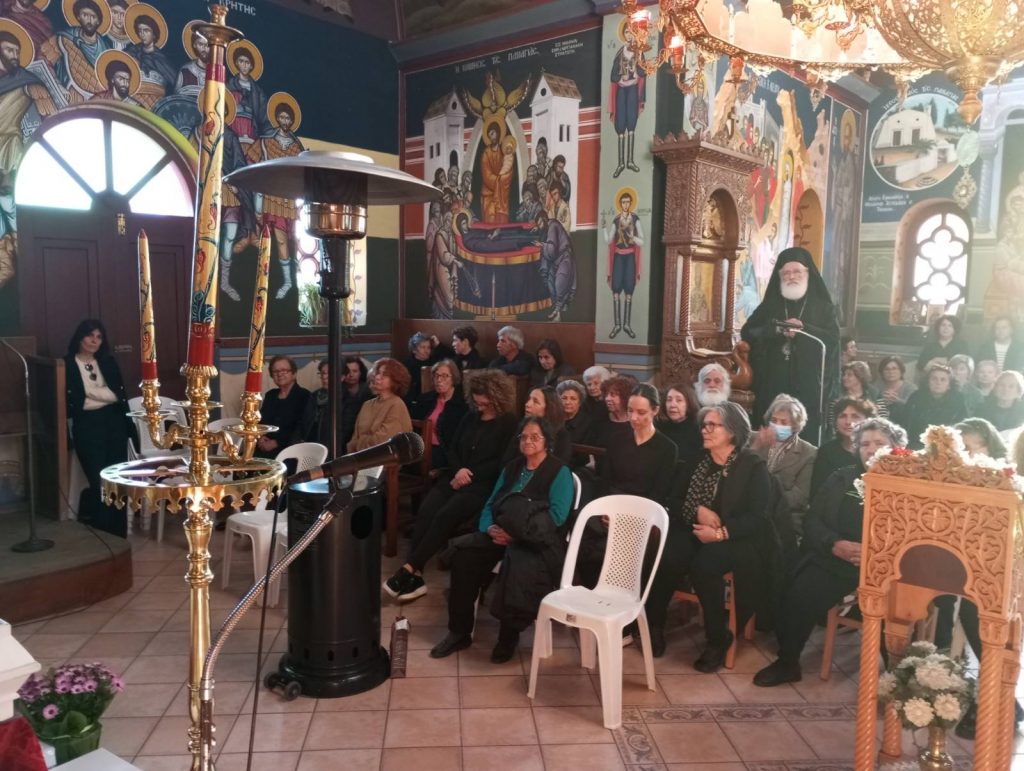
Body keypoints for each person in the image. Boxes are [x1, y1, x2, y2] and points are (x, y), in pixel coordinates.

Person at [753, 418, 909, 687]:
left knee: (893, 613)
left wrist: (876, 553)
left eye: (879, 443)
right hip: (839, 556)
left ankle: (898, 680)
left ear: (897, 447)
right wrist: (834, 544)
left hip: (887, 565)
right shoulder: (841, 478)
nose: (871, 450)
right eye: (865, 444)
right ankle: (788, 662)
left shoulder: (910, 485)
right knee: (799, 592)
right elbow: (813, 520)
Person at [429, 416, 574, 662]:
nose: (528, 441)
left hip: (536, 540)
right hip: (499, 533)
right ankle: (459, 632)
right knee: (464, 558)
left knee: (517, 566)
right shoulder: (512, 468)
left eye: (535, 437)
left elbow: (557, 517)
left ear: (547, 441)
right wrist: (490, 528)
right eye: (524, 437)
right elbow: (491, 503)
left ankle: (508, 637)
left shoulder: (559, 472)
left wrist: (517, 535)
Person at [644, 401, 771, 664]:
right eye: (704, 425)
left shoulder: (752, 466)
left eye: (713, 425)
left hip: (736, 537)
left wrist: (721, 534)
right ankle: (653, 625)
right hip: (694, 526)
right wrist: (698, 511)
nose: (705, 430)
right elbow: (674, 499)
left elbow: (757, 517)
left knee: (705, 566)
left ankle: (717, 638)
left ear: (732, 431)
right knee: (668, 556)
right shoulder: (697, 460)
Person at [384, 370, 517, 602]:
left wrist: (468, 475)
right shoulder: (471, 416)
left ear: (497, 397)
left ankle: (409, 568)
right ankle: (416, 573)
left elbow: (502, 463)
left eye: (484, 401)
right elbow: (452, 448)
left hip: (482, 485)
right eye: (476, 400)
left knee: (446, 513)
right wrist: (458, 470)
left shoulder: (509, 423)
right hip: (456, 475)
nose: (479, 405)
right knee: (427, 510)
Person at [741, 247, 841, 445]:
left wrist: (804, 329)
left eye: (797, 272)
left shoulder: (824, 308)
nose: (791, 277)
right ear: (780, 276)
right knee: (771, 433)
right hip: (773, 382)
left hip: (809, 384)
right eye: (786, 273)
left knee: (806, 437)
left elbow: (832, 340)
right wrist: (776, 330)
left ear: (807, 274)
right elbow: (748, 332)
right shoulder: (770, 306)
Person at [64, 319, 133, 538]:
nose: (94, 341)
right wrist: (100, 393)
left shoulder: (107, 362)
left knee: (117, 480)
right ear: (80, 337)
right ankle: (103, 532)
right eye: (90, 335)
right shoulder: (66, 364)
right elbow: (76, 401)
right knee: (98, 480)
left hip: (114, 423)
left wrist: (90, 392)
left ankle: (118, 534)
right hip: (87, 426)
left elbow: (117, 396)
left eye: (99, 337)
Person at [749, 394, 817, 535]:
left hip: (784, 518)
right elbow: (740, 473)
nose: (777, 426)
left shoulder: (809, 453)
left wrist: (762, 501)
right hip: (749, 511)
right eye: (774, 420)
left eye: (784, 422)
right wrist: (756, 447)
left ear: (795, 426)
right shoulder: (753, 438)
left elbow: (799, 497)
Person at [810, 397, 876, 499]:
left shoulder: (875, 452)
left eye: (855, 416)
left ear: (868, 420)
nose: (848, 422)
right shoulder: (826, 452)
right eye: (842, 416)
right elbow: (816, 493)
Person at [410, 359, 469, 470]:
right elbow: (413, 426)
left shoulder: (462, 405)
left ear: (453, 379)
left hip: (445, 453)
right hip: (420, 448)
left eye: (445, 376)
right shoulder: (425, 399)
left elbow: (461, 440)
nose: (439, 380)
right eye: (436, 376)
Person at [348, 357, 413, 453]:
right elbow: (354, 438)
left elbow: (382, 443)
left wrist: (358, 445)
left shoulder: (396, 404)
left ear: (395, 380)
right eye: (377, 373)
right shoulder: (367, 404)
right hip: (361, 456)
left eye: (384, 375)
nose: (377, 377)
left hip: (385, 458)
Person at [897, 364, 968, 450]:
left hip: (947, 445)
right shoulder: (916, 396)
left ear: (949, 385)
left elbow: (962, 426)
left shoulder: (958, 399)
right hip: (917, 444)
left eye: (943, 380)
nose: (938, 382)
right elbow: (905, 423)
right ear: (928, 382)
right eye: (934, 379)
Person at [256, 356, 310, 458]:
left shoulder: (304, 396)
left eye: (284, 370)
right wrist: (260, 437)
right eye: (275, 371)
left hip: (288, 450)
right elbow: (261, 422)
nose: (279, 374)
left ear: (294, 373)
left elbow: (301, 428)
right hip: (263, 447)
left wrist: (276, 442)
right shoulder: (270, 395)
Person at [504, 386, 570, 464]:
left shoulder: (561, 435)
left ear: (548, 408)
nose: (527, 404)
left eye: (535, 401)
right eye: (529, 399)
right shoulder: (523, 428)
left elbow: (558, 466)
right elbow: (507, 460)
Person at [657, 382, 703, 469]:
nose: (672, 405)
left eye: (679, 400)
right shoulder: (659, 428)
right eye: (669, 400)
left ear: (689, 404)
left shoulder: (699, 431)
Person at [826, 361, 886, 429]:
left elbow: (883, 420)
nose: (844, 377)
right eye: (844, 375)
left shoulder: (875, 394)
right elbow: (832, 421)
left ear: (860, 377)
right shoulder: (837, 395)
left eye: (849, 375)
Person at [557, 379, 595, 467]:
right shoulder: (553, 419)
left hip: (575, 467)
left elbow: (583, 457)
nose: (567, 402)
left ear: (580, 402)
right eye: (564, 398)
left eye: (573, 399)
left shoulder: (588, 424)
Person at [975, 370, 1024, 435]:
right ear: (995, 387)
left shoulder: (1022, 411)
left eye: (1011, 386)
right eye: (1002, 385)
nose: (1005, 389)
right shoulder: (982, 408)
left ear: (1019, 390)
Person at [402, 331, 439, 411]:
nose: (426, 350)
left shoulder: (435, 363)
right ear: (414, 350)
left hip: (431, 401)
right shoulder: (406, 364)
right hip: (411, 402)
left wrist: (439, 345)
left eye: (428, 347)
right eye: (423, 347)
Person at [597, 374, 636, 447]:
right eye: (606, 395)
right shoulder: (600, 419)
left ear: (625, 397)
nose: (607, 399)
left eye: (613, 395)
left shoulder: (635, 422)